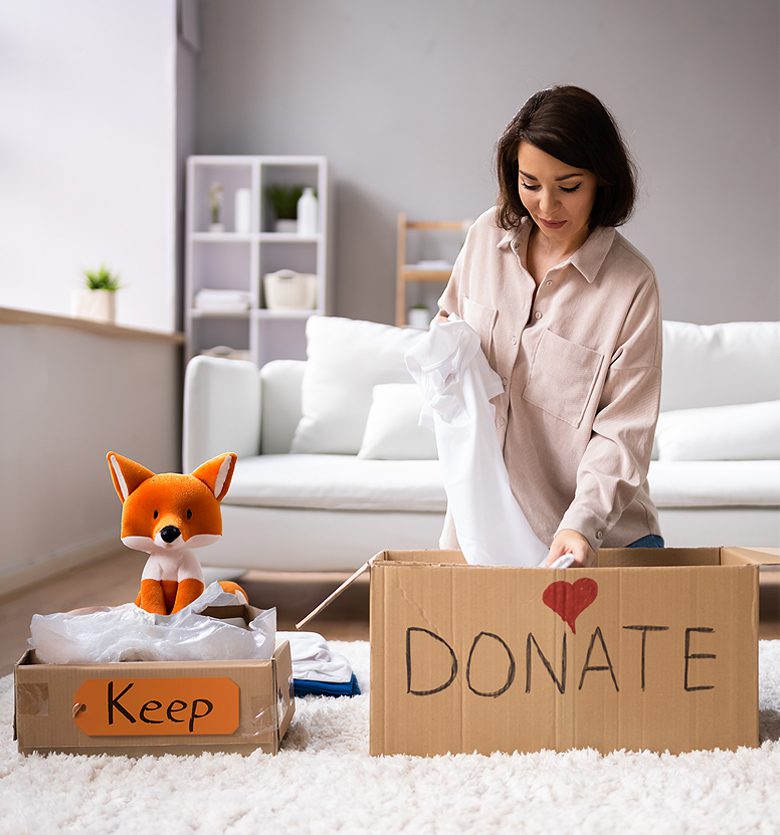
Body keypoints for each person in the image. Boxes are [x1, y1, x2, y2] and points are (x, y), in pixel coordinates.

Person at [434, 85, 664, 567]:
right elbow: (447, 328)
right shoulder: (484, 237)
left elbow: (623, 433)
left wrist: (581, 523)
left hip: (595, 542)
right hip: (484, 533)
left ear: (602, 179)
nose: (546, 206)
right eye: (530, 183)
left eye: (568, 186)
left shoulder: (631, 287)